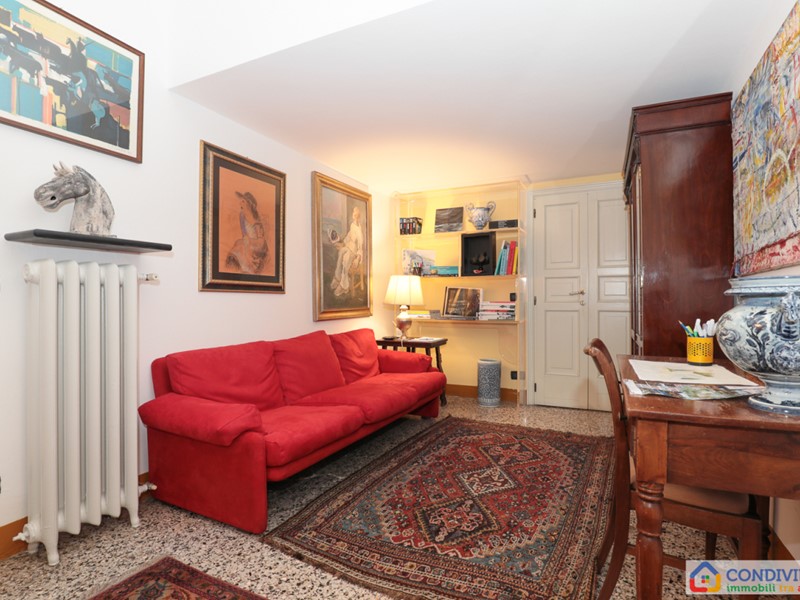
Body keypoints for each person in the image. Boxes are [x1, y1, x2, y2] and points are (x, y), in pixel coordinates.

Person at [330, 205, 363, 296]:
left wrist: (358, 258)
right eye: (354, 214)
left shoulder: (359, 230)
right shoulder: (352, 225)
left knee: (346, 257)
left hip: (355, 252)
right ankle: (337, 277)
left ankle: (344, 286)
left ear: (358, 216)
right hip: (349, 247)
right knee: (341, 252)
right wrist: (342, 243)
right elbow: (349, 236)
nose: (354, 216)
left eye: (356, 215)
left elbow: (360, 246)